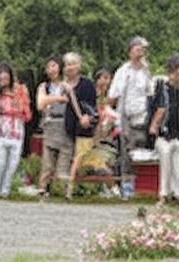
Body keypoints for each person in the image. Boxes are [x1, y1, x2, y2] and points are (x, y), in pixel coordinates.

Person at [109, 36, 153, 200]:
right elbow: (113, 96)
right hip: (125, 117)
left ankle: (140, 186)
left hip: (142, 118)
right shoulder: (123, 71)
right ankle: (126, 187)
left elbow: (150, 93)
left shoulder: (146, 71)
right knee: (125, 154)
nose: (141, 51)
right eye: (137, 48)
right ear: (130, 51)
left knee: (140, 152)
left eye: (143, 48)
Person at [149, 53, 179, 205]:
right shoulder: (161, 86)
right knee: (165, 164)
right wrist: (154, 125)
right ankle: (163, 194)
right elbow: (158, 107)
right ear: (174, 68)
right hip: (164, 132)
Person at [71, 67, 119, 197]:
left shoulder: (106, 97)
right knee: (83, 158)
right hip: (88, 131)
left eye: (108, 78)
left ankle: (108, 188)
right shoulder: (92, 94)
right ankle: (72, 185)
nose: (106, 81)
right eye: (104, 78)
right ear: (97, 79)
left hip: (102, 134)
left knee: (102, 162)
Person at [0, 63, 29, 198]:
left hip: (17, 132)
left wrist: (15, 101)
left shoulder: (21, 90)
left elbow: (26, 113)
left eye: (6, 77)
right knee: (0, 163)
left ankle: (5, 191)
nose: (3, 80)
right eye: (0, 78)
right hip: (1, 132)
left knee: (12, 164)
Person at [35, 56, 72, 198]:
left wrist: (48, 100)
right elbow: (40, 104)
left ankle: (65, 190)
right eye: (48, 66)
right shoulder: (44, 86)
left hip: (65, 124)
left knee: (64, 161)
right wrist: (58, 98)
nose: (51, 69)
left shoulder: (67, 85)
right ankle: (43, 188)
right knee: (47, 162)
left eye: (54, 65)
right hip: (50, 123)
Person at [61, 53, 97, 200]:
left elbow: (92, 106)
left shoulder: (87, 84)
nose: (71, 67)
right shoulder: (60, 85)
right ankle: (61, 186)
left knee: (79, 156)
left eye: (74, 63)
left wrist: (87, 117)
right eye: (68, 64)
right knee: (65, 158)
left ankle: (70, 187)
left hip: (83, 126)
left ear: (79, 66)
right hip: (65, 126)